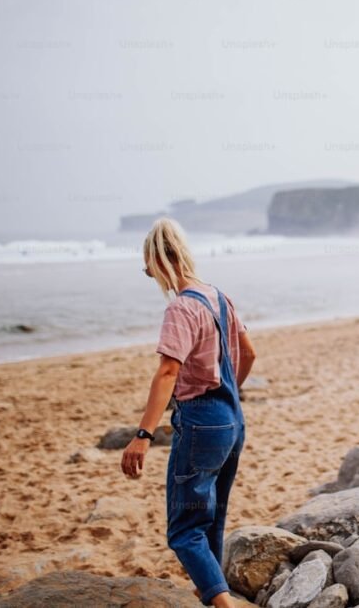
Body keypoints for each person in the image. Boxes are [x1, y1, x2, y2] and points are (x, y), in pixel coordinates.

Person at [122, 218, 256, 608]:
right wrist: (229, 394)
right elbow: (249, 353)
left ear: (158, 260)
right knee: (211, 517)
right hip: (232, 420)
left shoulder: (181, 309)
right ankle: (208, 589)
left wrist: (143, 435)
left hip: (201, 422)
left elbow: (167, 371)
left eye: (146, 264)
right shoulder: (218, 296)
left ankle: (223, 604)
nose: (146, 273)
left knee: (184, 530)